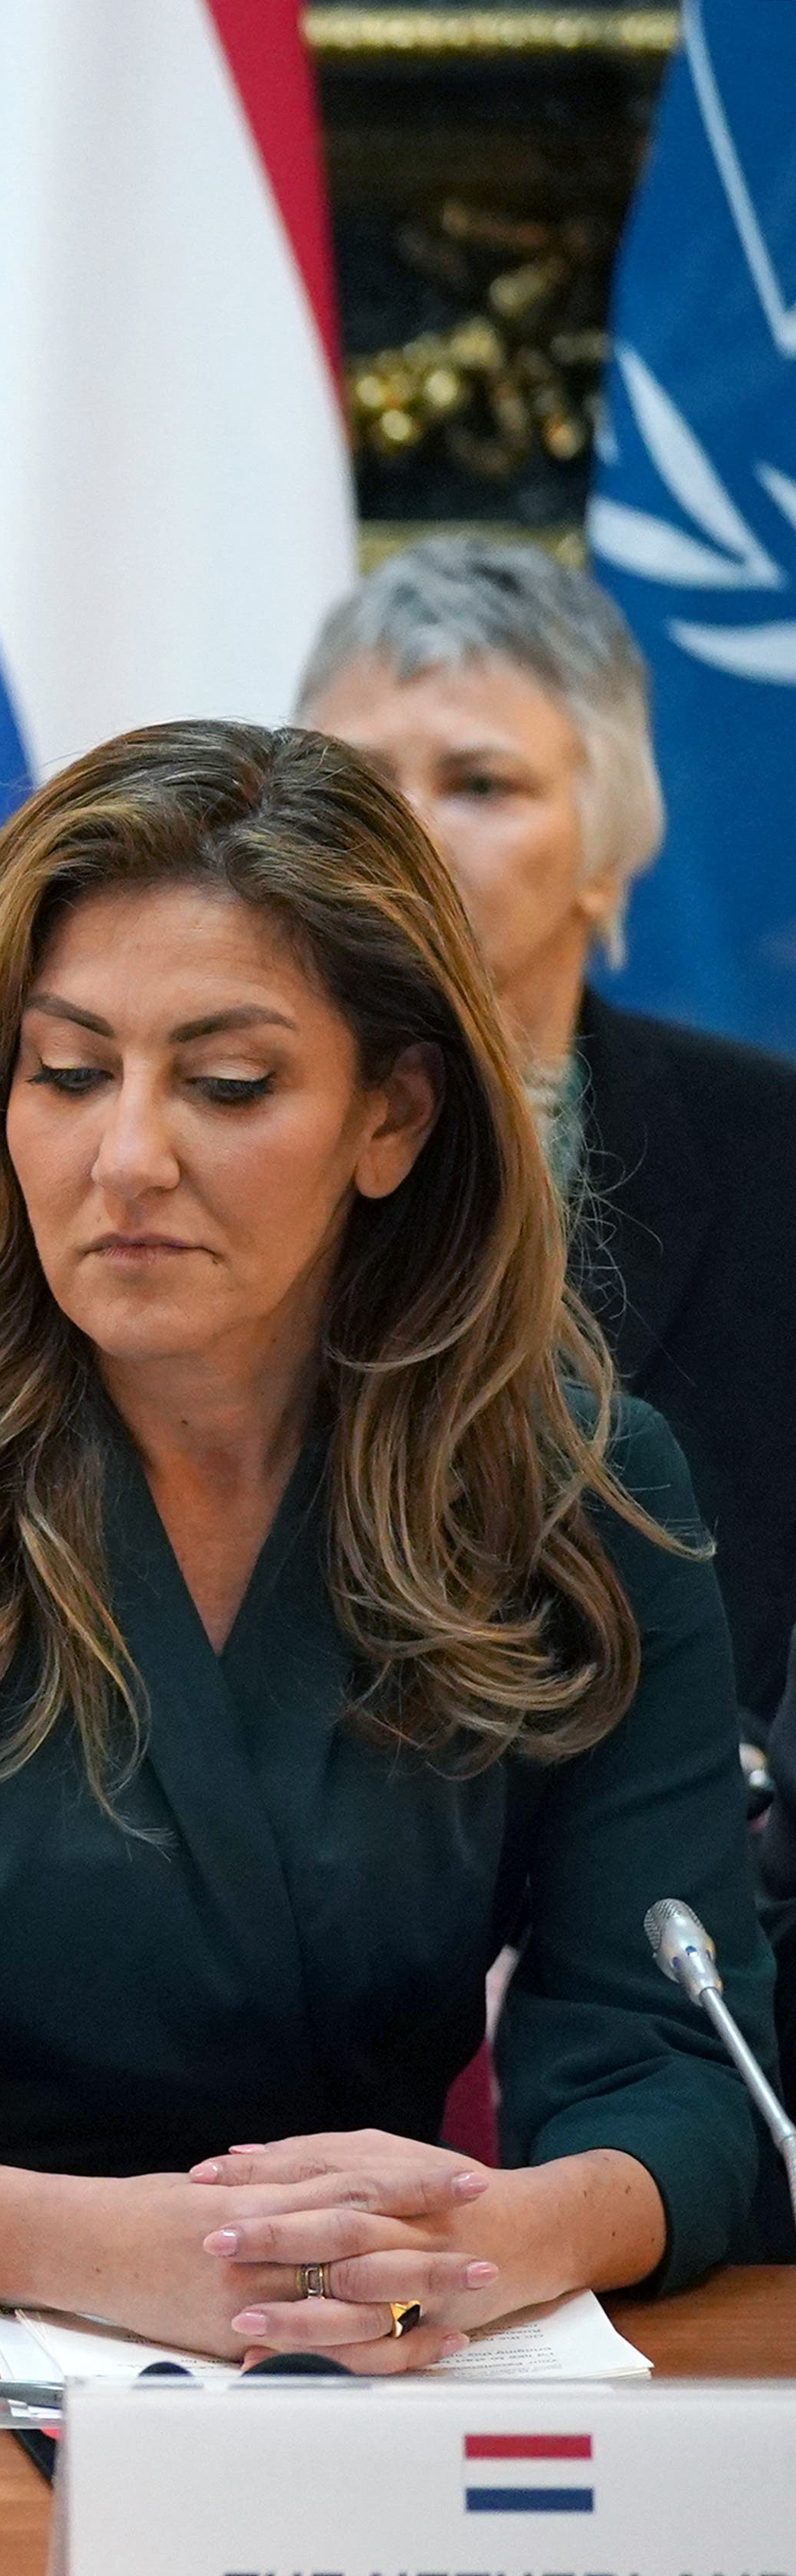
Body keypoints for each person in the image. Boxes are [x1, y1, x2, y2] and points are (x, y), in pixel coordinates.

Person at [0, 721, 777, 2358]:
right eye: (69, 1071)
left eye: (228, 1083)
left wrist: (494, 2236)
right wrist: (99, 2243)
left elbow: (686, 2079)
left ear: (393, 1118)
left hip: (389, 2363)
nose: (128, 1158)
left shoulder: (584, 1486)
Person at [297, 536, 796, 1731]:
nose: (406, 831)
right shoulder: (184, 1140)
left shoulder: (773, 1150)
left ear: (607, 848)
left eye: (481, 784)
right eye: (361, 780)